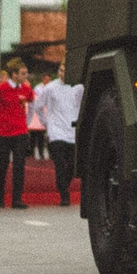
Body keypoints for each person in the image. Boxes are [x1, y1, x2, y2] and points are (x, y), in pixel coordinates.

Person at [33, 63, 82, 205]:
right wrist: (46, 123)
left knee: (73, 165)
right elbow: (37, 105)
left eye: (66, 71)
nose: (63, 73)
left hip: (71, 132)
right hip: (56, 133)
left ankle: (63, 184)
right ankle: (64, 196)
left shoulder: (78, 87)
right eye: (61, 70)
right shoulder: (50, 88)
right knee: (60, 164)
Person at [0, 57, 35, 209]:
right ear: (14, 74)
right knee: (2, 166)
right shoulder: (0, 89)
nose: (25, 76)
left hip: (20, 133)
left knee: (19, 166)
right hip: (2, 134)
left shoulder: (26, 90)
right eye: (23, 73)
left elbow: (33, 105)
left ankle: (17, 199)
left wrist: (27, 122)